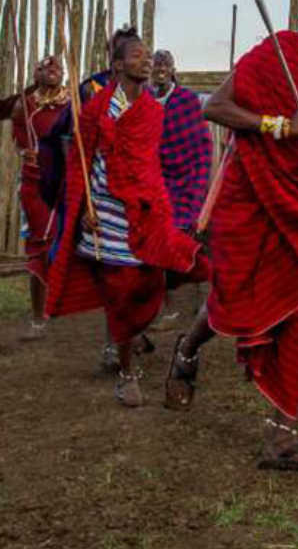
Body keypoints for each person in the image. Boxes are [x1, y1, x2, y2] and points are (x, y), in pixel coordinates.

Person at [164, 0, 298, 471]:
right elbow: (215, 107)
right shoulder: (281, 51)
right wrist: (280, 125)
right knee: (236, 299)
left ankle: (281, 436)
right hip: (253, 199)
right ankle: (187, 348)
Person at [45, 35, 209, 407]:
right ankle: (126, 373)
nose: (147, 60)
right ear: (118, 65)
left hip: (146, 208)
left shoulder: (152, 110)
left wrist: (160, 204)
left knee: (156, 280)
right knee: (119, 294)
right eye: (138, 55)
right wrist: (82, 208)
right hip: (106, 215)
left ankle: (135, 334)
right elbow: (81, 163)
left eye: (148, 55)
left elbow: (150, 164)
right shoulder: (96, 108)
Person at [151, 49, 214, 326]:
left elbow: (203, 144)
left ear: (173, 70)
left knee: (196, 242)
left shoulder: (187, 101)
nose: (160, 70)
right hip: (158, 184)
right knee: (161, 248)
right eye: (157, 65)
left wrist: (200, 185)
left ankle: (204, 303)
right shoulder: (144, 101)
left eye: (165, 65)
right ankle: (170, 312)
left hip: (190, 182)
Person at [10, 56, 71, 339]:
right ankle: (37, 318)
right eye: (47, 68)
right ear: (36, 74)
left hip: (64, 183)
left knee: (62, 247)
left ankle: (63, 303)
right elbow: (18, 139)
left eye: (58, 68)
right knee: (38, 248)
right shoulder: (24, 105)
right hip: (34, 185)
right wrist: (25, 152)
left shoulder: (72, 104)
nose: (53, 71)